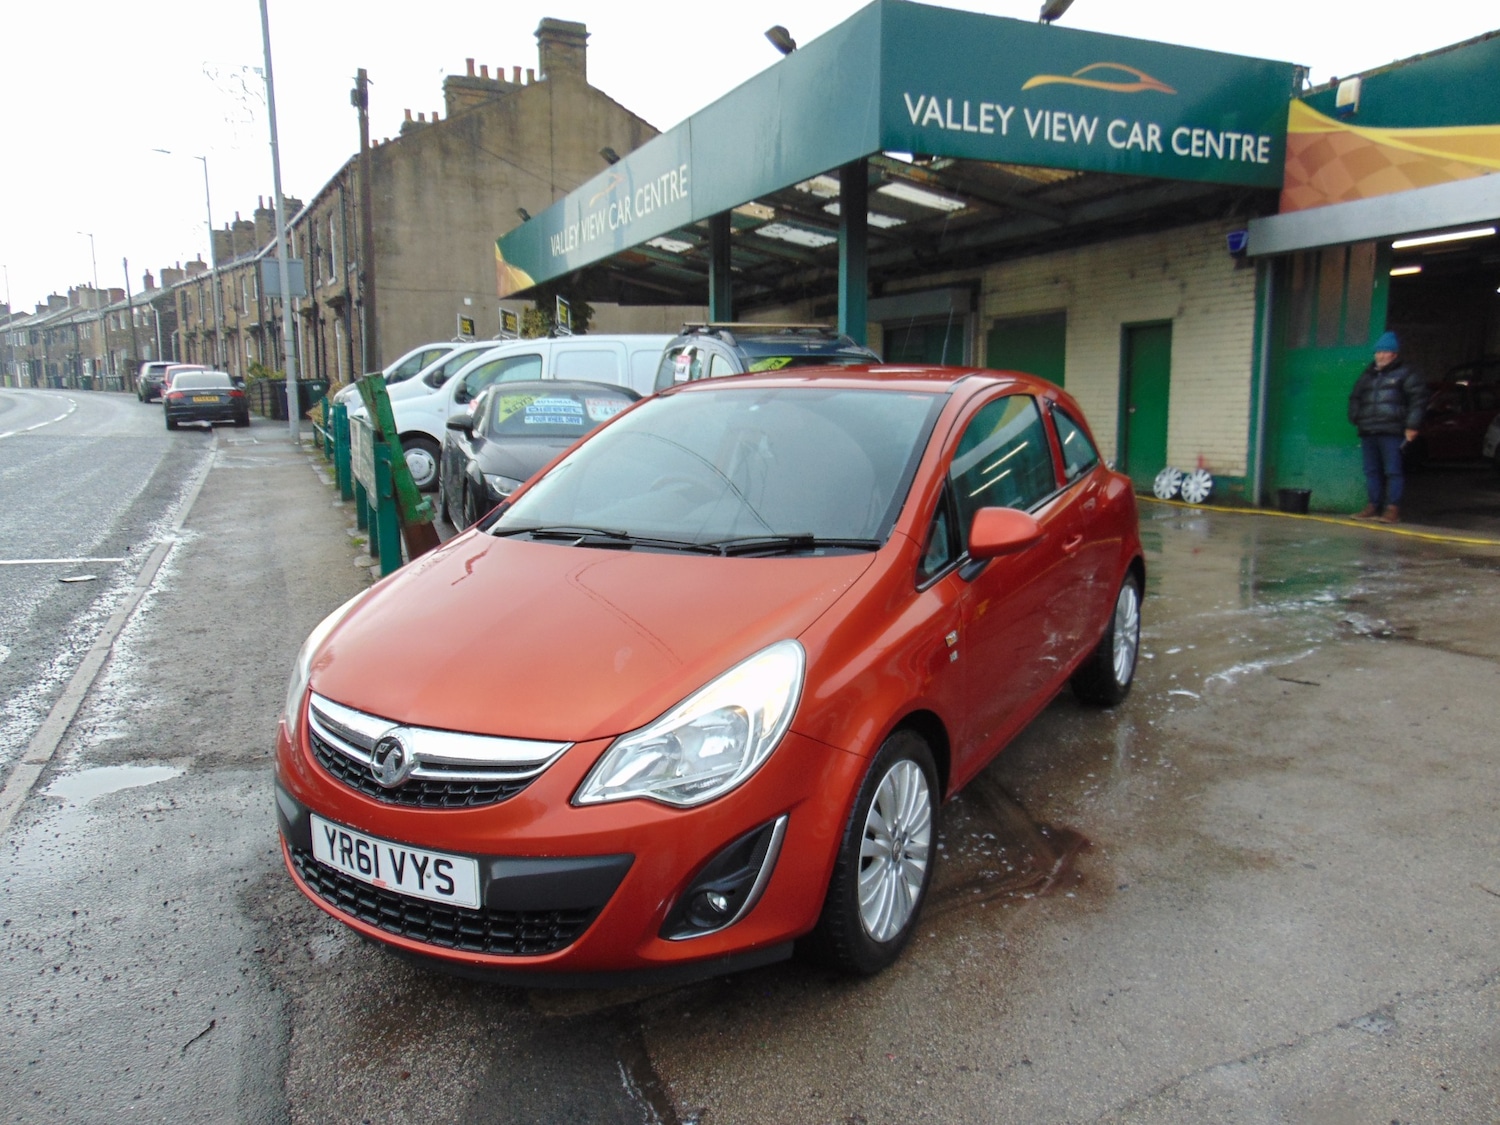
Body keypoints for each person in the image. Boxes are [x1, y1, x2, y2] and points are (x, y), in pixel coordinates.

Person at [1347, 330, 1426, 523]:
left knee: (1393, 471)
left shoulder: (1406, 373)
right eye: (1378, 352)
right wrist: (1355, 416)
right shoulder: (1368, 375)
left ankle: (1392, 509)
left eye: (1385, 352)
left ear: (1394, 354)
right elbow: (1355, 397)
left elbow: (1418, 400)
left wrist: (1412, 426)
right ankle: (1373, 506)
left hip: (1392, 431)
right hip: (1368, 430)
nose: (1380, 356)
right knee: (1372, 470)